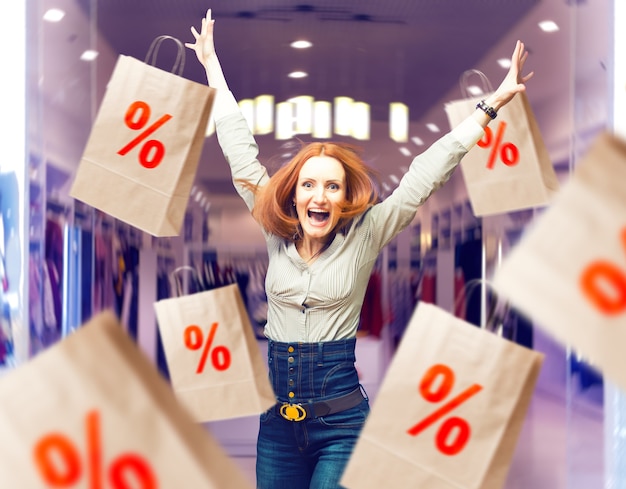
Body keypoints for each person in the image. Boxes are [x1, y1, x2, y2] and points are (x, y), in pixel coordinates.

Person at [186, 9, 533, 489]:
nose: (320, 196)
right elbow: (239, 148)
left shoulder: (368, 232)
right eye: (309, 184)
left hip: (341, 426)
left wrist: (491, 105)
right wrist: (212, 69)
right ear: (294, 193)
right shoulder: (273, 228)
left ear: (345, 196)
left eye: (332, 186)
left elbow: (425, 172)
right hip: (277, 429)